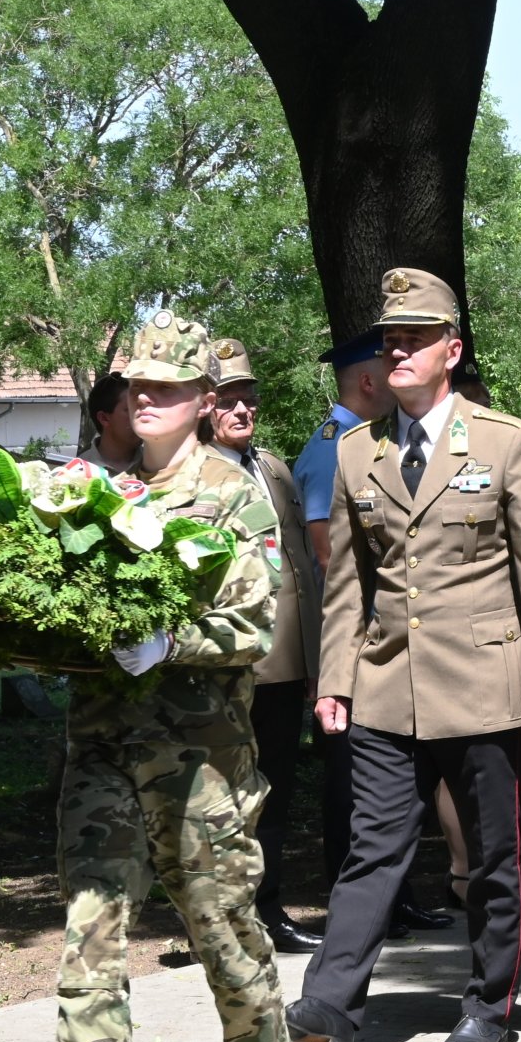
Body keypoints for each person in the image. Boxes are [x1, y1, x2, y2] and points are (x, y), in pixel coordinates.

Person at [0, 309, 299, 1042]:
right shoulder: (95, 494)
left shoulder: (232, 492)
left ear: (203, 400)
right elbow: (68, 612)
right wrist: (10, 634)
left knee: (222, 932)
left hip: (202, 760)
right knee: (90, 931)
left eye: (166, 388)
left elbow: (253, 627)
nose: (147, 401)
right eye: (136, 388)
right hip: (104, 751)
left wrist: (172, 640)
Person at [285, 268, 521, 1042]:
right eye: (390, 338)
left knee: (489, 855)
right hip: (383, 681)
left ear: (452, 349)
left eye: (414, 337)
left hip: (484, 682)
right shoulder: (355, 452)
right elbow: (345, 581)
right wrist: (335, 677)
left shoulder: (505, 440)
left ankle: (489, 1000)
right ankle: (331, 1000)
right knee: (373, 844)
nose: (398, 350)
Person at [295, 331, 456, 940]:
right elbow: (333, 558)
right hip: (360, 642)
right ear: (370, 382)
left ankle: (397, 895)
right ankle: (359, 907)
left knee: (392, 789)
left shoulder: (382, 444)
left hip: (387, 639)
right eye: (385, 365)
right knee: (352, 786)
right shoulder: (336, 450)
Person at [204, 338, 326, 953]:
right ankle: (224, 919)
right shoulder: (189, 472)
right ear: (205, 406)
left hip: (281, 661)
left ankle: (269, 909)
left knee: (273, 790)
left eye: (248, 399)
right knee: (222, 796)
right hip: (221, 661)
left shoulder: (272, 467)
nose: (241, 410)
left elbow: (300, 568)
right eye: (228, 400)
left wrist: (312, 656)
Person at [78, 371, 137, 474]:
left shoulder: (159, 465)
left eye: (140, 406)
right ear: (104, 418)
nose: (141, 414)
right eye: (131, 409)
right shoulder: (77, 473)